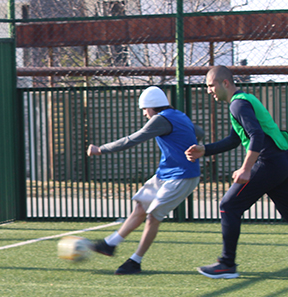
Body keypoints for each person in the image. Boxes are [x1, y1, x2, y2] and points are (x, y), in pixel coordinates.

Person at [185, 65, 288, 278]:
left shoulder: (238, 105)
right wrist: (205, 150)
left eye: (211, 85)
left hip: (269, 162)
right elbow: (235, 139)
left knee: (228, 206)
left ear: (225, 83)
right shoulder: (244, 100)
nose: (208, 90)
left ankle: (226, 264)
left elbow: (256, 136)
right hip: (283, 160)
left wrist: (246, 168)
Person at [86, 86, 204, 274]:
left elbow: (131, 139)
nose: (144, 114)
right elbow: (199, 132)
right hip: (166, 173)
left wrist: (100, 149)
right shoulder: (178, 115)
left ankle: (135, 261)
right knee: (141, 207)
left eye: (144, 109)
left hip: (182, 176)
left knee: (152, 217)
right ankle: (110, 244)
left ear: (152, 106)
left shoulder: (160, 119)